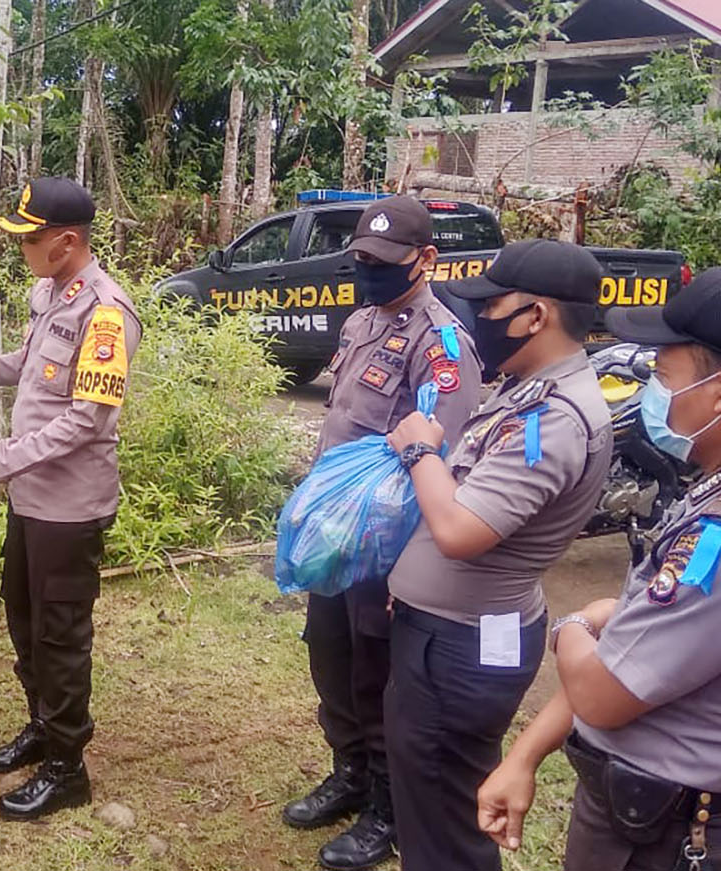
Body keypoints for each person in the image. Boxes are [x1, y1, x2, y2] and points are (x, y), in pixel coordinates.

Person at [477, 265, 721, 870]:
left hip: (665, 835)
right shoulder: (719, 487)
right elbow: (646, 652)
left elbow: (602, 692)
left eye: (663, 374)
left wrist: (575, 623)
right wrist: (526, 755)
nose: (654, 389)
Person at [385, 239, 614, 871]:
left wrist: (419, 449)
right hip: (454, 632)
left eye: (493, 305)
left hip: (458, 645)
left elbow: (461, 530)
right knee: (437, 804)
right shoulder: (529, 391)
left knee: (445, 816)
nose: (478, 319)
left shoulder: (554, 419)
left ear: (535, 316)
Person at [0, 177, 142, 821]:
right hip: (30, 497)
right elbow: (25, 363)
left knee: (61, 634)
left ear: (66, 241)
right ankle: (42, 726)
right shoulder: (50, 292)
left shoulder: (106, 314)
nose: (22, 247)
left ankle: (67, 765)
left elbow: (88, 422)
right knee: (22, 615)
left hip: (69, 508)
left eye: (31, 237)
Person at [280, 195, 483, 871]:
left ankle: (387, 808)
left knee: (376, 678)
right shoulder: (362, 318)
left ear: (425, 260)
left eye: (383, 263)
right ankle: (348, 772)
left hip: (385, 547)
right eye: (361, 260)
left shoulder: (442, 343)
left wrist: (411, 567)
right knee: (329, 658)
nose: (369, 272)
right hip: (336, 535)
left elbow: (445, 460)